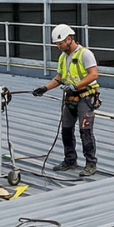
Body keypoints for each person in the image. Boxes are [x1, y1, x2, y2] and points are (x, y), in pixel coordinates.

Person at [32, 24, 100, 177]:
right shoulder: (63, 56)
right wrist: (45, 88)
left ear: (69, 39)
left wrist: (75, 86)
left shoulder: (85, 54)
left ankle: (91, 163)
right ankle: (70, 159)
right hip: (71, 97)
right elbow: (60, 77)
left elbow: (93, 75)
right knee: (66, 129)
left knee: (85, 131)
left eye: (60, 43)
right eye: (56, 43)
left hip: (86, 97)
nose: (58, 46)